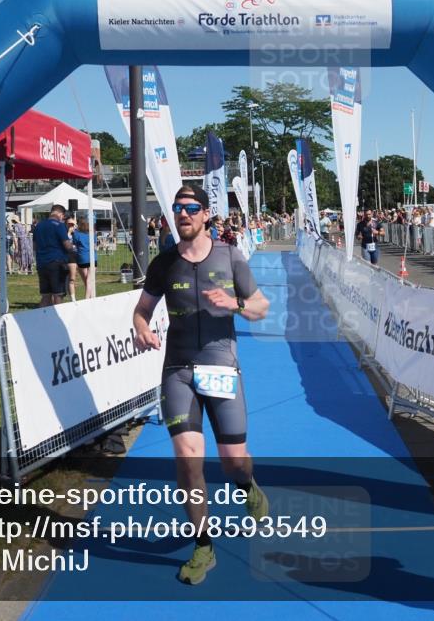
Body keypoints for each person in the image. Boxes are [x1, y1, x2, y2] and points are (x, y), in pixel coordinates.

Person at [132, 184, 271, 586]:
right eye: (178, 208)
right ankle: (203, 545)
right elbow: (141, 311)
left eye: (191, 208)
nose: (184, 214)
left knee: (233, 459)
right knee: (188, 460)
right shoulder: (164, 263)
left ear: (206, 214)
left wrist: (237, 306)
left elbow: (261, 307)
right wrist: (141, 329)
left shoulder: (231, 257)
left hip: (220, 367)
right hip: (177, 370)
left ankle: (246, 484)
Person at [32, 205, 74, 307]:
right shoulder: (59, 225)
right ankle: (57, 320)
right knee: (58, 295)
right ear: (60, 214)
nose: (62, 218)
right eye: (63, 216)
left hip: (41, 263)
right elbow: (67, 245)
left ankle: (41, 319)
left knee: (46, 295)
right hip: (56, 263)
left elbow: (34, 246)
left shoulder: (38, 226)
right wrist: (73, 249)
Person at [73, 217, 97, 300]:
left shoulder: (76, 233)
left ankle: (88, 298)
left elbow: (74, 244)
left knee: (86, 280)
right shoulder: (92, 233)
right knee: (89, 280)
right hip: (92, 257)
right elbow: (94, 245)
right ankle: (88, 298)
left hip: (82, 258)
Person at [64, 217, 80, 301]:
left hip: (75, 256)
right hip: (67, 257)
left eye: (73, 225)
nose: (72, 226)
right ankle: (71, 297)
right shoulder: (64, 233)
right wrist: (69, 232)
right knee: (70, 277)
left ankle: (71, 296)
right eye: (70, 224)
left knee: (72, 277)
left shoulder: (76, 233)